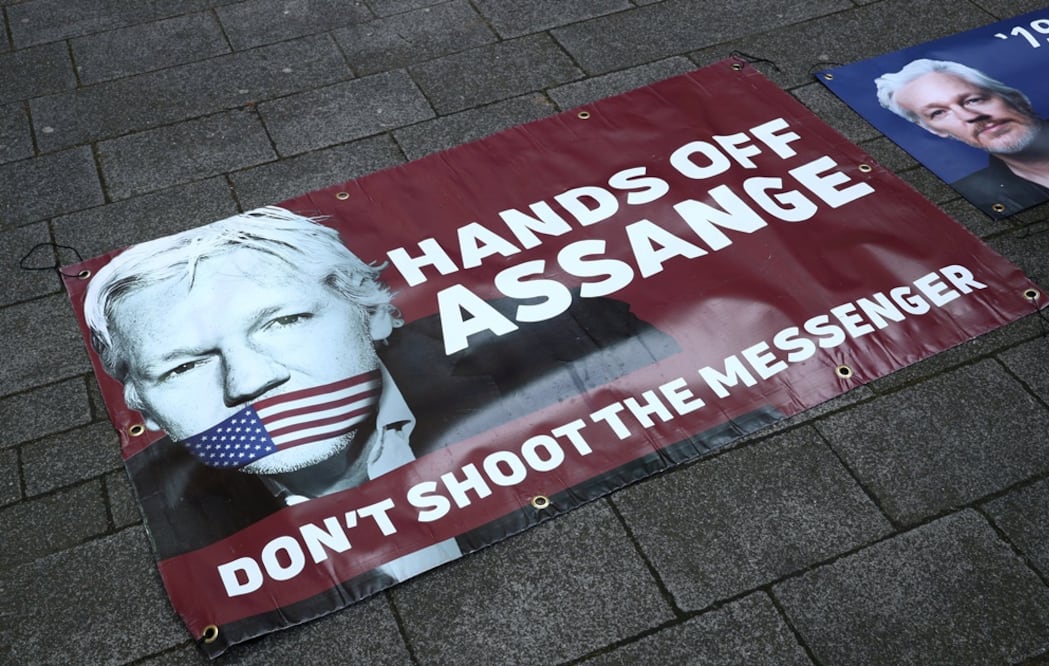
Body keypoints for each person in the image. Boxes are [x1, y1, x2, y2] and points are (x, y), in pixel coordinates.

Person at [84, 205, 683, 556]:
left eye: (284, 322)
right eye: (184, 366)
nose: (249, 381)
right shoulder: (185, 533)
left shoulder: (578, 333)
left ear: (370, 312)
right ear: (144, 407)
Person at [875, 58, 1049, 218]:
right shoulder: (980, 197)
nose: (969, 116)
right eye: (938, 113)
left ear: (1015, 97)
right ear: (934, 130)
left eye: (974, 100)